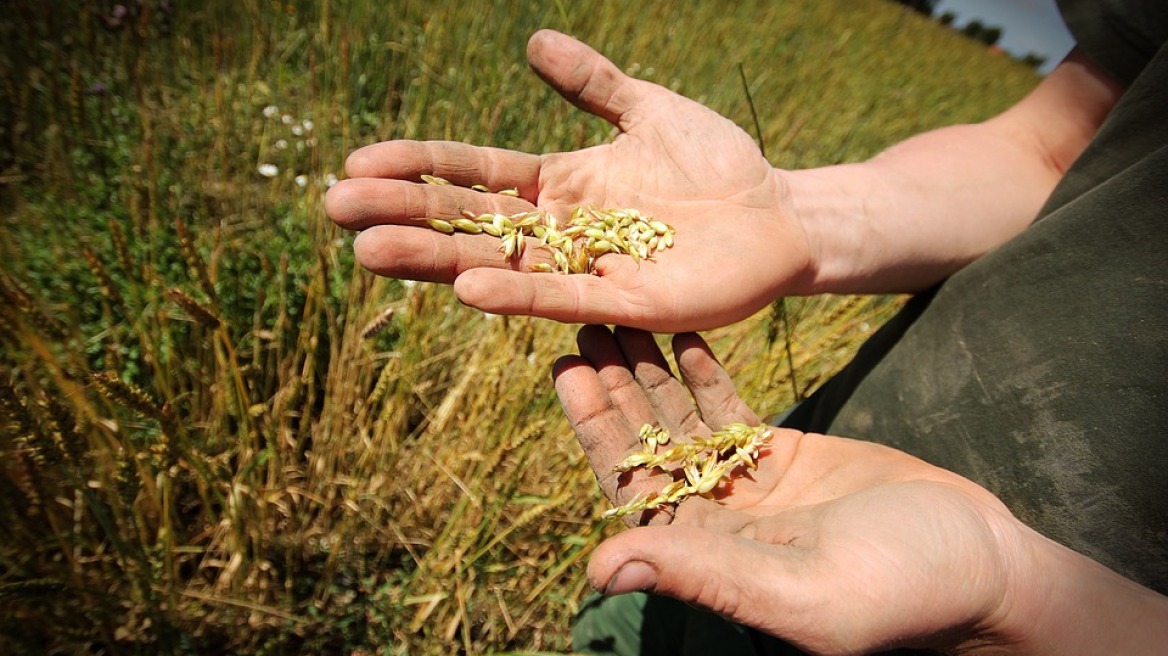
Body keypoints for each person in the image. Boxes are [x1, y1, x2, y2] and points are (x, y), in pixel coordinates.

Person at [326, 0, 1168, 652]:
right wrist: (796, 215)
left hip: (987, 595)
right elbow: (1054, 152)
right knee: (631, 626)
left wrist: (1017, 599)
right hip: (787, 466)